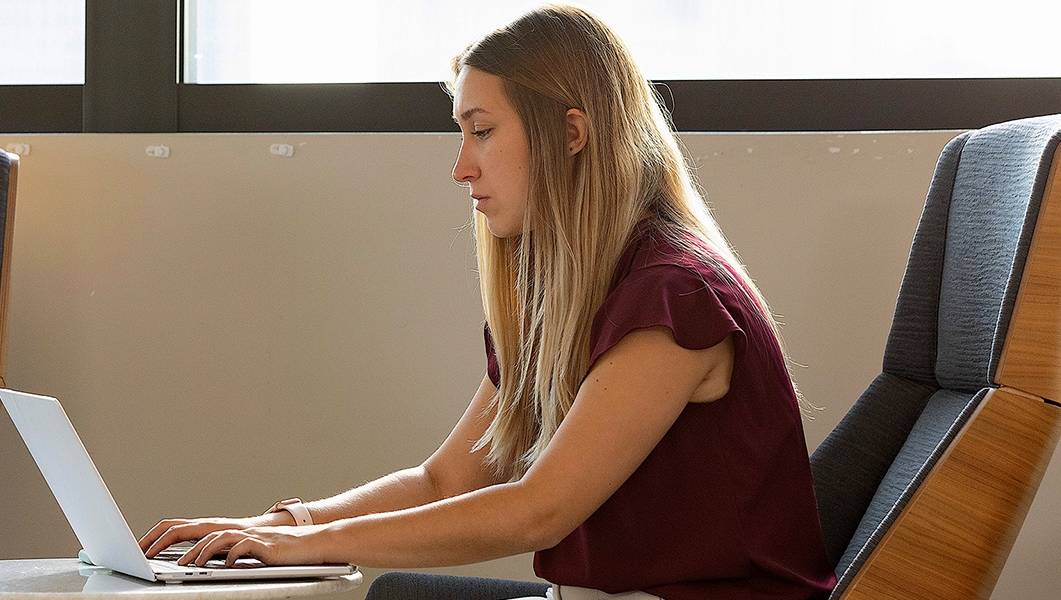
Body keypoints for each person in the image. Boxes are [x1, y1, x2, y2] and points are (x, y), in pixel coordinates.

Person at [137, 5, 837, 600]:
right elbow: (445, 479)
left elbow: (539, 513)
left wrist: (314, 544)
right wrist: (286, 525)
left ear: (571, 134)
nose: (461, 164)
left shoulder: (676, 297)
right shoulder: (565, 298)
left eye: (482, 130)